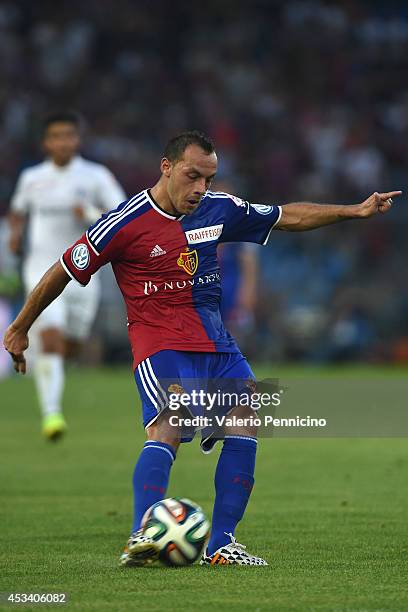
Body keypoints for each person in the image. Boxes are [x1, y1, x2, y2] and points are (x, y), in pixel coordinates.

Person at [3, 131, 400, 566]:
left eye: (208, 179)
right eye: (193, 176)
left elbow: (287, 216)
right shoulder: (123, 223)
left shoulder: (219, 209)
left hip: (215, 341)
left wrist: (355, 210)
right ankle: (142, 537)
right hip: (160, 344)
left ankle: (222, 543)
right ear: (166, 167)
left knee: (246, 419)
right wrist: (21, 328)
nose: (200, 189)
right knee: (170, 424)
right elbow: (62, 269)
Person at [8, 111, 126, 440]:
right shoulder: (32, 178)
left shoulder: (95, 176)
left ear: (78, 139)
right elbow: (18, 211)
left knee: (70, 347)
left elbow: (123, 215)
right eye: (56, 136)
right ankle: (52, 416)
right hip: (42, 270)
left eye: (69, 135)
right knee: (52, 338)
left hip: (83, 273)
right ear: (46, 142)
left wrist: (88, 214)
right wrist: (15, 236)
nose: (63, 142)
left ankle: (48, 373)